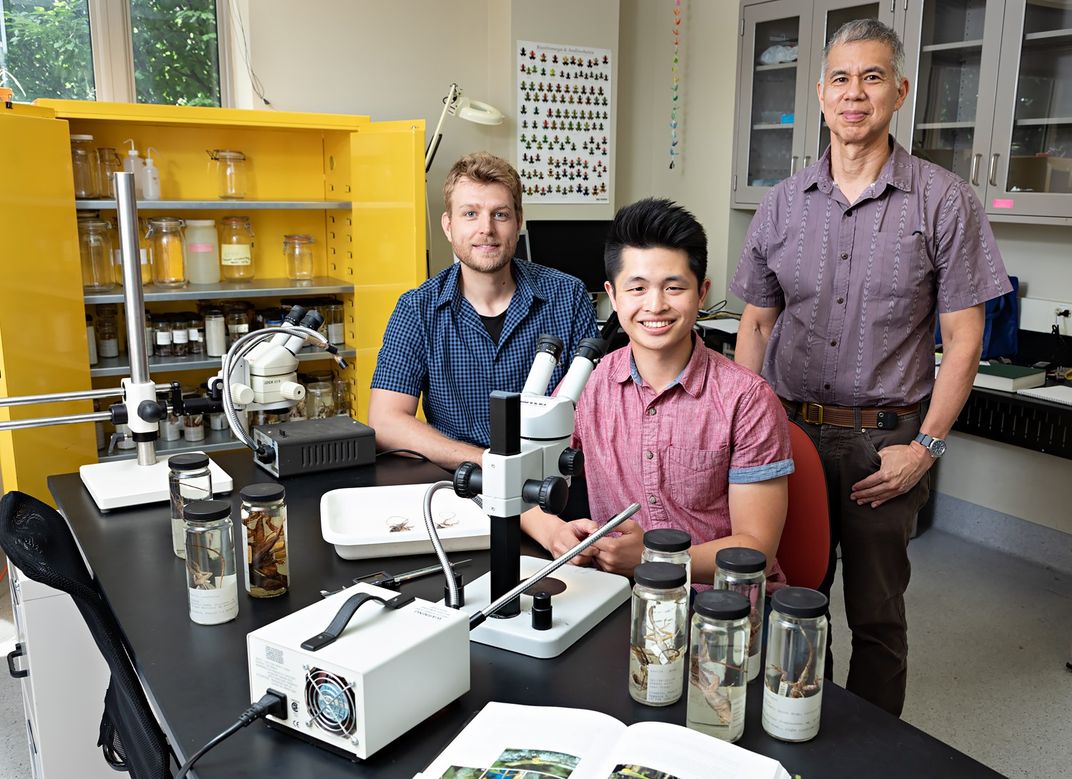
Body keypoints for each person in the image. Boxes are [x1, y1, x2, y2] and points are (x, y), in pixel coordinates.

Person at [730, 19, 1012, 716]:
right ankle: (801, 726)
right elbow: (757, 324)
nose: (855, 93)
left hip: (887, 443)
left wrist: (927, 447)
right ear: (823, 95)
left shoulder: (946, 200)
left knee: (878, 616)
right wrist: (749, 429)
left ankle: (873, 751)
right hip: (790, 434)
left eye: (873, 77)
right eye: (841, 79)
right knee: (795, 599)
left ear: (900, 92)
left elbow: (964, 338)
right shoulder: (781, 204)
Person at [522, 197, 794, 587]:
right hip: (619, 597)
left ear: (702, 293)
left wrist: (654, 558)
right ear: (612, 296)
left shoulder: (747, 399)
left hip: (720, 609)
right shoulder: (588, 384)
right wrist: (553, 532)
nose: (655, 305)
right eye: (637, 288)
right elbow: (520, 483)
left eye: (673, 287)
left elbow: (756, 550)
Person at [369, 152, 598, 469]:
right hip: (458, 485)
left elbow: (597, 411)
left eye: (500, 215)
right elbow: (386, 420)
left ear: (518, 222)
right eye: (470, 214)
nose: (486, 228)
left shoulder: (568, 296)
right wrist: (487, 463)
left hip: (552, 480)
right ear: (448, 226)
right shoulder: (417, 308)